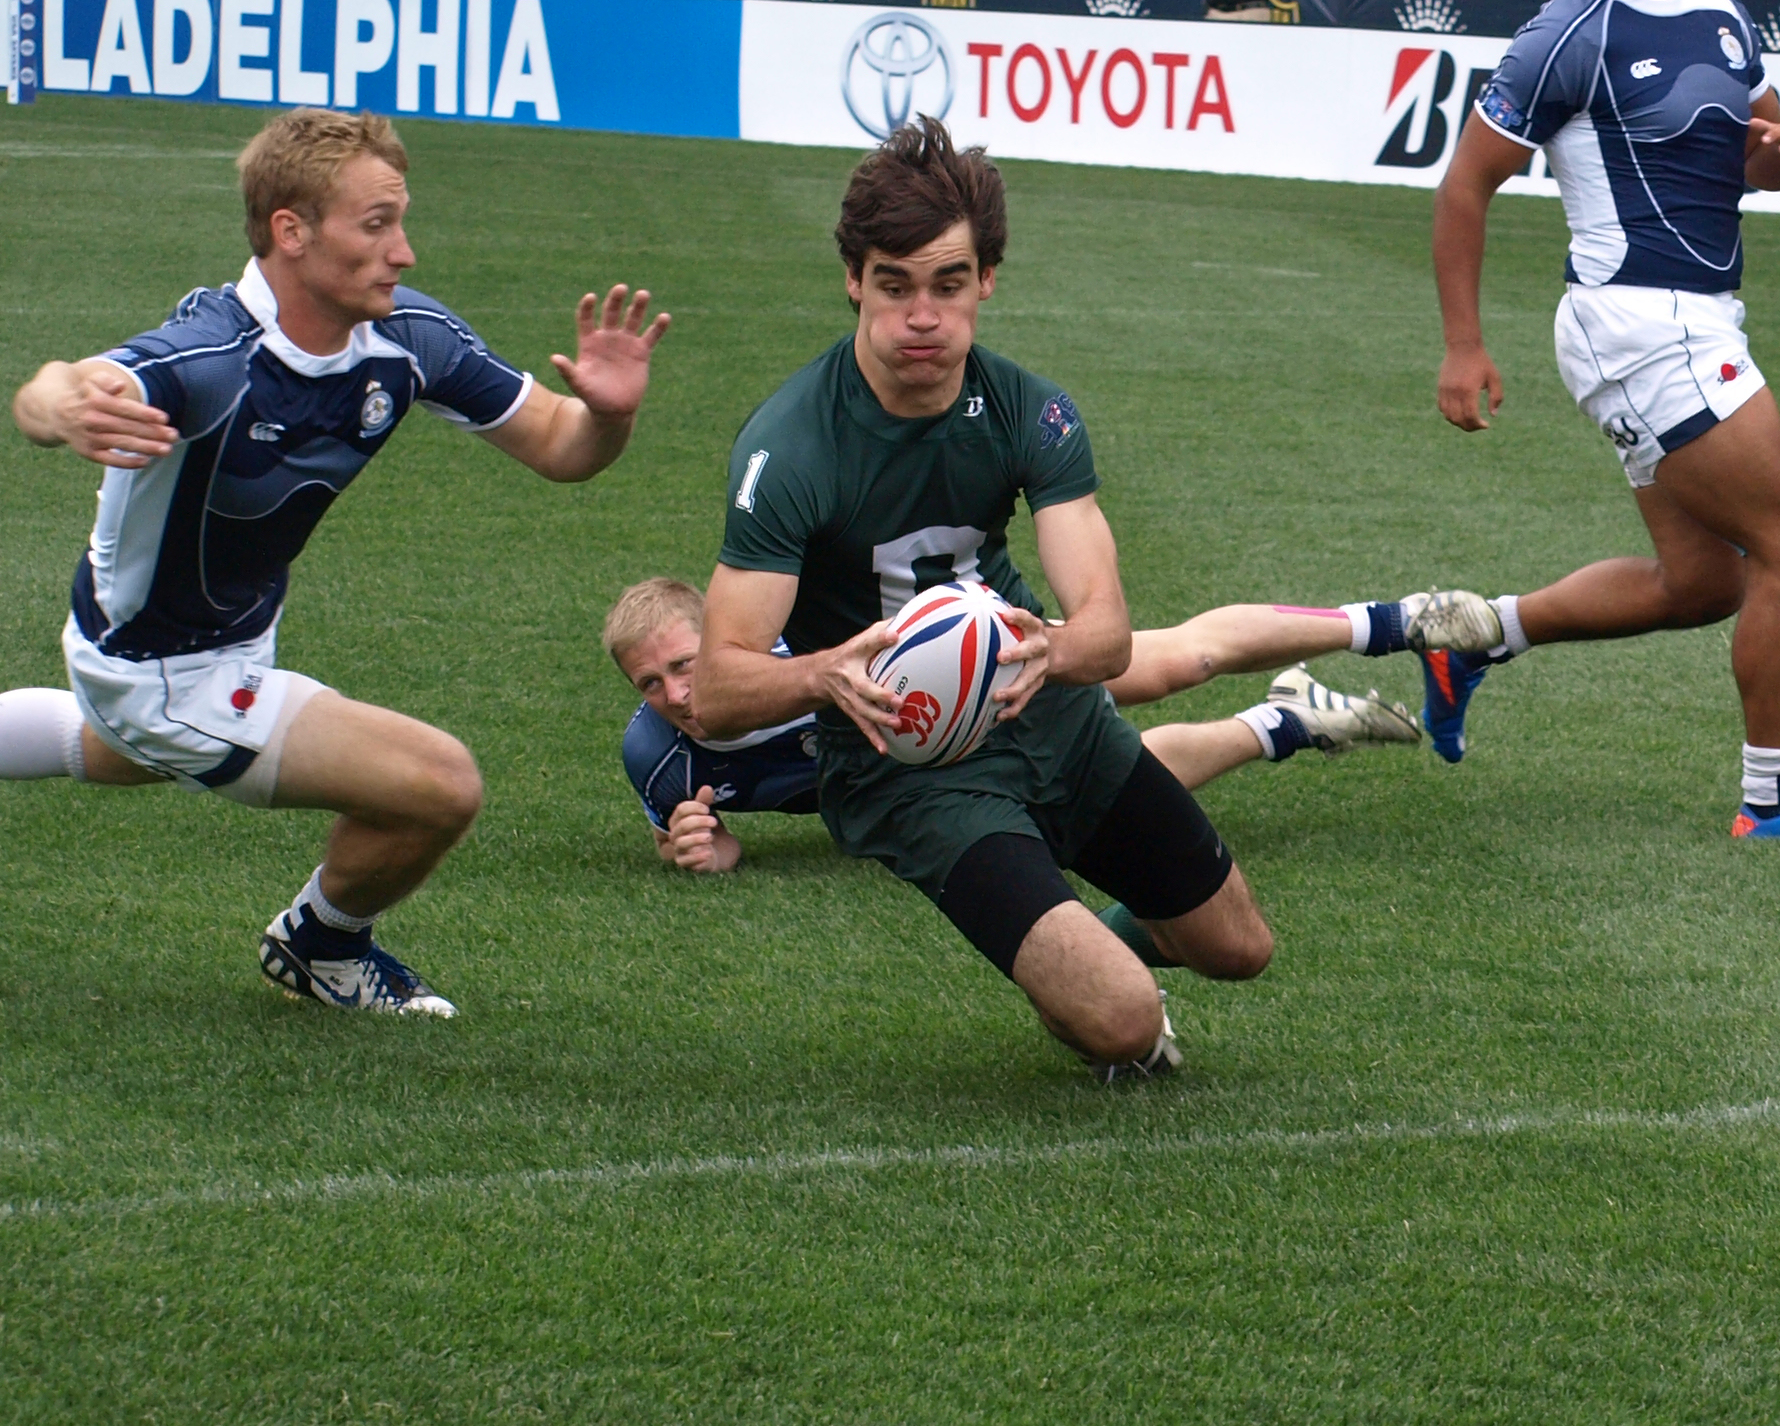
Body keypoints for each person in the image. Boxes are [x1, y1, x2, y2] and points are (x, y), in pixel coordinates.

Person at [0, 111, 667, 1014]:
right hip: (156, 669)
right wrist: (58, 403)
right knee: (438, 785)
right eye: (377, 222)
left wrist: (610, 413)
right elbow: (63, 387)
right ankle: (320, 944)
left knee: (127, 753)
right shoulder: (211, 357)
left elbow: (560, 443)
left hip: (224, 637)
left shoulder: (407, 340)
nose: (406, 251)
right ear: (291, 230)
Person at [691, 121, 1290, 1080]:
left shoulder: (1030, 409)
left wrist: (1052, 651)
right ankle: (1090, 980)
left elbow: (1106, 629)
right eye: (894, 284)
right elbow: (716, 691)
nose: (921, 315)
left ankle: (1079, 946)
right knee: (1125, 1024)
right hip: (910, 764)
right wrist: (821, 674)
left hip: (1051, 715)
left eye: (948, 282)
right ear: (854, 279)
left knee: (1239, 948)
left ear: (987, 280)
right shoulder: (791, 446)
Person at [1424, 0, 1780, 845]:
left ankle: (1475, 640)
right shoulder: (1568, 33)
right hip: (1634, 319)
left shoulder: (1723, 11)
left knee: (1705, 582)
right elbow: (1466, 185)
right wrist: (1464, 344)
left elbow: (1755, 159)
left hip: (1697, 316)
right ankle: (1776, 802)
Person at [607, 576, 1444, 873]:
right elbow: (687, 838)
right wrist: (703, 849)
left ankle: (1392, 621)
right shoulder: (654, 757)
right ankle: (1283, 719)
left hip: (961, 692)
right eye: (651, 681)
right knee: (1090, 785)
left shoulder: (801, 647)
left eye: (688, 664)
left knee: (1170, 660)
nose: (677, 693)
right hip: (926, 776)